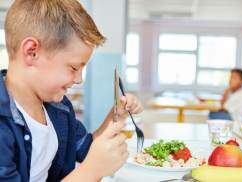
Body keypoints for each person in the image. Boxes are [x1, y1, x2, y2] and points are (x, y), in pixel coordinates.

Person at [0, 0, 143, 181]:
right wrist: (91, 171)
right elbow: (91, 166)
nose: (79, 79)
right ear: (32, 52)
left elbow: (86, 148)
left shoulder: (59, 107)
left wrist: (117, 114)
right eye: (74, 68)